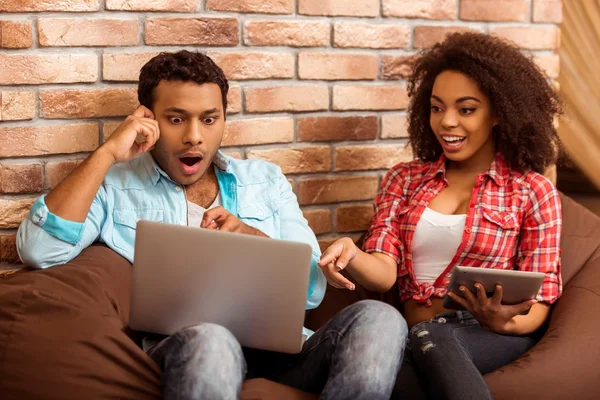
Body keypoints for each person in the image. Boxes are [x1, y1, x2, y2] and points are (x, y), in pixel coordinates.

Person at [16, 50, 406, 400]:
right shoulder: (116, 185)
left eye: (209, 119)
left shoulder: (265, 181)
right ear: (147, 120)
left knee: (381, 317)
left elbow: (311, 292)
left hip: (283, 354)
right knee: (213, 337)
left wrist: (255, 239)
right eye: (176, 119)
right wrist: (106, 153)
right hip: (192, 350)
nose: (194, 137)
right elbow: (40, 250)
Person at [319, 32, 563, 400]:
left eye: (466, 109)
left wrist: (505, 320)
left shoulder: (531, 190)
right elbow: (385, 275)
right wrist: (352, 255)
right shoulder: (404, 179)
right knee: (379, 361)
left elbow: (541, 299)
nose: (447, 122)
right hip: (409, 334)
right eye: (436, 107)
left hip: (488, 335)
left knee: (426, 339)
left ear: (498, 112)